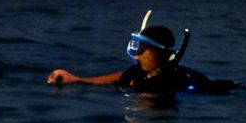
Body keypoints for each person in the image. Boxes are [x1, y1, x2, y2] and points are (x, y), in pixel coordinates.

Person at [47, 16, 230, 92]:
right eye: (136, 47)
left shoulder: (173, 81)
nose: (137, 54)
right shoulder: (136, 72)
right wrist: (75, 80)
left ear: (161, 53)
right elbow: (118, 77)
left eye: (142, 49)